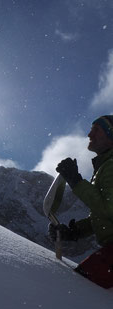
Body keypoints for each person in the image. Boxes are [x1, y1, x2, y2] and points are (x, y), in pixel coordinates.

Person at [49, 115, 113, 289]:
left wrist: (76, 181)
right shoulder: (105, 166)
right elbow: (106, 217)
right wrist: (75, 231)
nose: (89, 134)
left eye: (96, 130)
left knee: (81, 288)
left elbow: (109, 209)